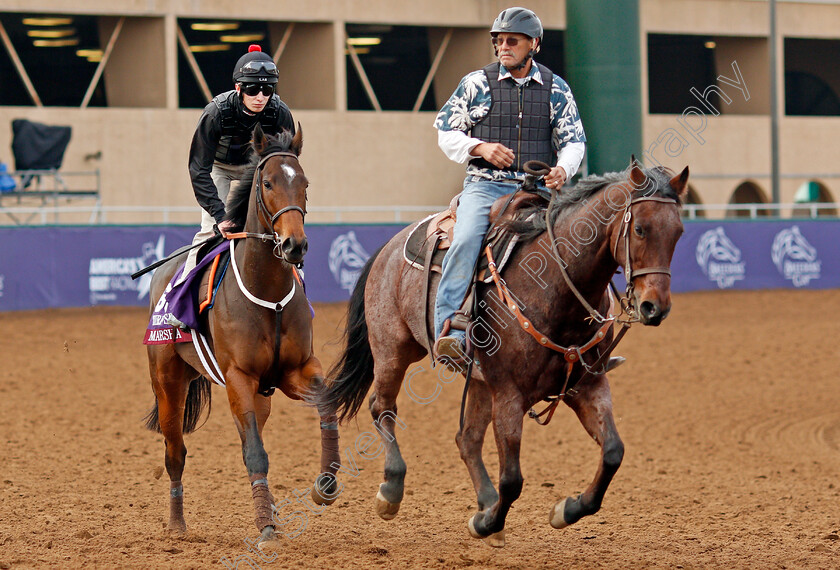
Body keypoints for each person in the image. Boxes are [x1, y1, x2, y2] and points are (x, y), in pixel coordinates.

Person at [432, 7, 586, 361]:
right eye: (499, 41)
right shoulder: (475, 83)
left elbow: (574, 142)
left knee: (581, 244)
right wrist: (479, 146)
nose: (503, 46)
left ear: (533, 44)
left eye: (512, 40)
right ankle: (450, 330)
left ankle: (592, 332)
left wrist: (563, 169)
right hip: (485, 187)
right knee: (468, 237)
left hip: (538, 192)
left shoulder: (556, 89)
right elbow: (445, 132)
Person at [180, 44, 295, 282]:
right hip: (219, 168)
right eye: (252, 89)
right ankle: (180, 297)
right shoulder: (216, 113)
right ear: (238, 88)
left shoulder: (280, 113)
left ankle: (299, 289)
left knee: (279, 228)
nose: (260, 97)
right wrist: (220, 216)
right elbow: (198, 168)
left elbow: (286, 165)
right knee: (209, 231)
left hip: (256, 169)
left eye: (267, 89)